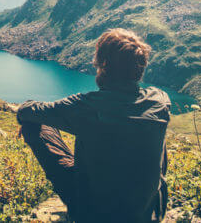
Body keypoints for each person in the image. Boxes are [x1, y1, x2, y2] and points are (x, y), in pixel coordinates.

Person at [17, 28, 170, 223]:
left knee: (34, 124)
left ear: (104, 64)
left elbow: (26, 110)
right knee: (156, 128)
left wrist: (26, 119)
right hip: (149, 215)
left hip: (92, 214)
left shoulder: (86, 107)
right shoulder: (160, 100)